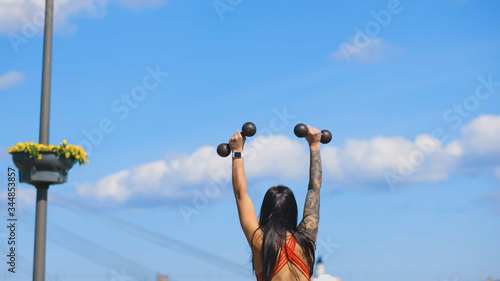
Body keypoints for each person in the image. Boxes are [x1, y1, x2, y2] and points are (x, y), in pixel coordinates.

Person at [229, 126, 323, 281]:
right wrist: (315, 146)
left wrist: (237, 151)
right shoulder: (306, 240)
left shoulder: (260, 241)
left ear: (265, 210)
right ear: (293, 211)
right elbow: (314, 189)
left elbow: (241, 195)